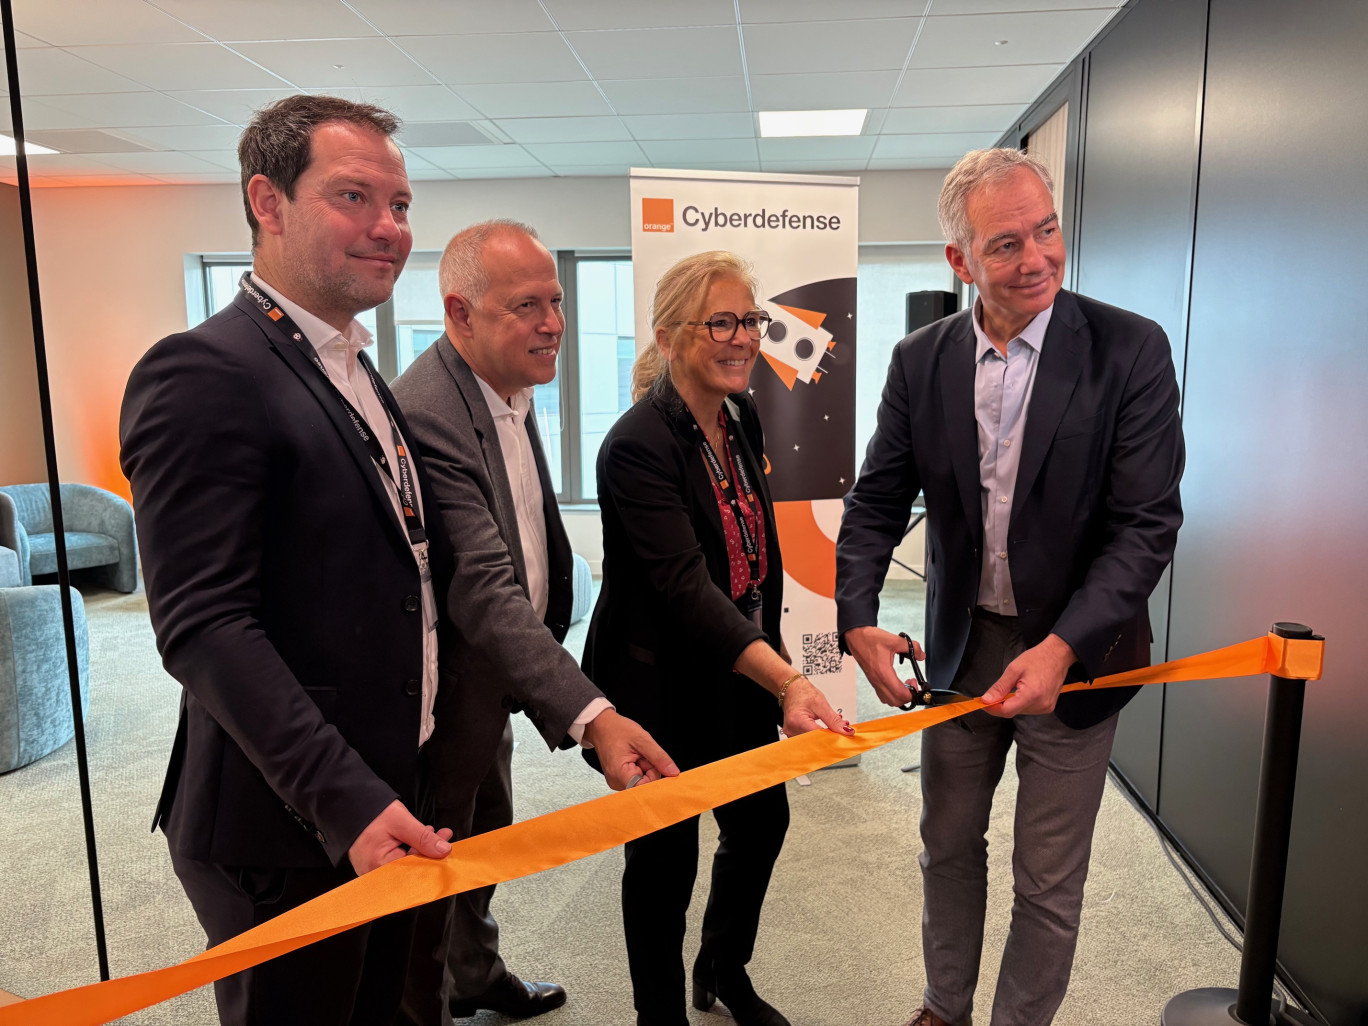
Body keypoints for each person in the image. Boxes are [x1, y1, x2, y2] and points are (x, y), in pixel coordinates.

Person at [119, 95, 455, 1026]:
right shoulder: (203, 371)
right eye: (355, 197)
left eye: (400, 205)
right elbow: (202, 625)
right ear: (267, 202)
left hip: (388, 795)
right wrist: (345, 799)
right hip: (288, 822)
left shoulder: (352, 365)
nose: (390, 228)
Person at [835, 148, 1185, 1026]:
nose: (1037, 259)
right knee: (947, 845)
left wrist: (1063, 645)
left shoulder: (1130, 349)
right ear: (958, 262)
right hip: (960, 648)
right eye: (1006, 245)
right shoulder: (921, 360)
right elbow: (878, 498)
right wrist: (858, 619)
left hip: (1080, 650)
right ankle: (943, 1007)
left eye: (1048, 231)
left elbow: (1146, 526)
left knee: (1048, 874)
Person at [391, 219, 677, 1024]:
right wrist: (593, 715)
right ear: (460, 313)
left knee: (485, 838)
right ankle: (430, 1004)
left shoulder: (508, 388)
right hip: (442, 700)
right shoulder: (429, 412)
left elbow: (525, 541)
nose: (553, 322)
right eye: (527, 306)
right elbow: (481, 587)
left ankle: (476, 978)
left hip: (495, 682)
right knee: (435, 865)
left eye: (555, 300)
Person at [582, 250, 855, 1026]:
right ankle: (659, 1015)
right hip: (660, 686)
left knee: (761, 822)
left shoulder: (740, 415)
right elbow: (685, 590)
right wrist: (790, 680)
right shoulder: (637, 445)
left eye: (750, 320)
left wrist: (775, 664)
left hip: (737, 669)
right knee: (665, 862)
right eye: (722, 322)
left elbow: (750, 554)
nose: (742, 338)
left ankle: (722, 969)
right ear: (669, 338)